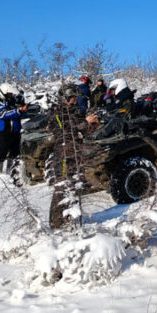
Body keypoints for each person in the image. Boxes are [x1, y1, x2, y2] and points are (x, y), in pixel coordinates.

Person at [47, 84, 100, 230]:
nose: (75, 100)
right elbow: (66, 130)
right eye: (72, 98)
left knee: (75, 185)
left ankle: (70, 219)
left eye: (76, 98)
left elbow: (81, 132)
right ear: (65, 97)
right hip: (63, 154)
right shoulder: (57, 112)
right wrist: (85, 123)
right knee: (62, 186)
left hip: (76, 153)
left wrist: (93, 124)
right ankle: (57, 224)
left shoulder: (74, 111)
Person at [0, 82, 29, 175]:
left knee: (15, 152)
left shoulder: (12, 102)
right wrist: (19, 110)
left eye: (11, 94)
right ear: (3, 93)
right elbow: (4, 114)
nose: (11, 96)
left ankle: (11, 171)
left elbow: (18, 113)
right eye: (9, 94)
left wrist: (25, 111)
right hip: (2, 131)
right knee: (2, 150)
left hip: (14, 131)